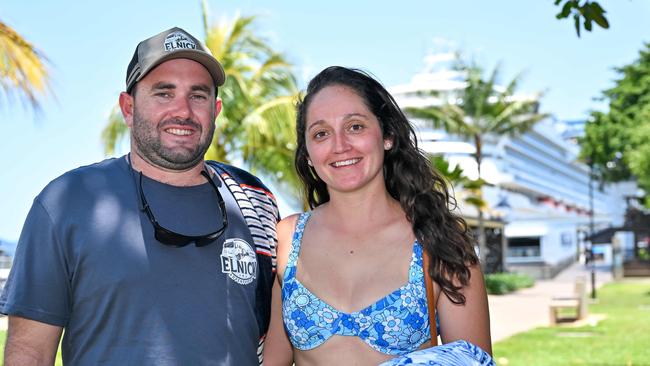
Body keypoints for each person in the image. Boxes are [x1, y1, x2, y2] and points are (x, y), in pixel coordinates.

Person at [0, 27, 278, 365]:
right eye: (164, 93)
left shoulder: (254, 201)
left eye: (199, 95)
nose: (183, 111)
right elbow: (30, 352)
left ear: (216, 109)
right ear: (128, 107)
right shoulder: (67, 202)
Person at [263, 66, 493, 365]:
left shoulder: (440, 243)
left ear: (387, 136)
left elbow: (472, 361)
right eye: (321, 133)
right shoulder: (287, 238)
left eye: (355, 126)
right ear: (307, 153)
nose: (340, 145)